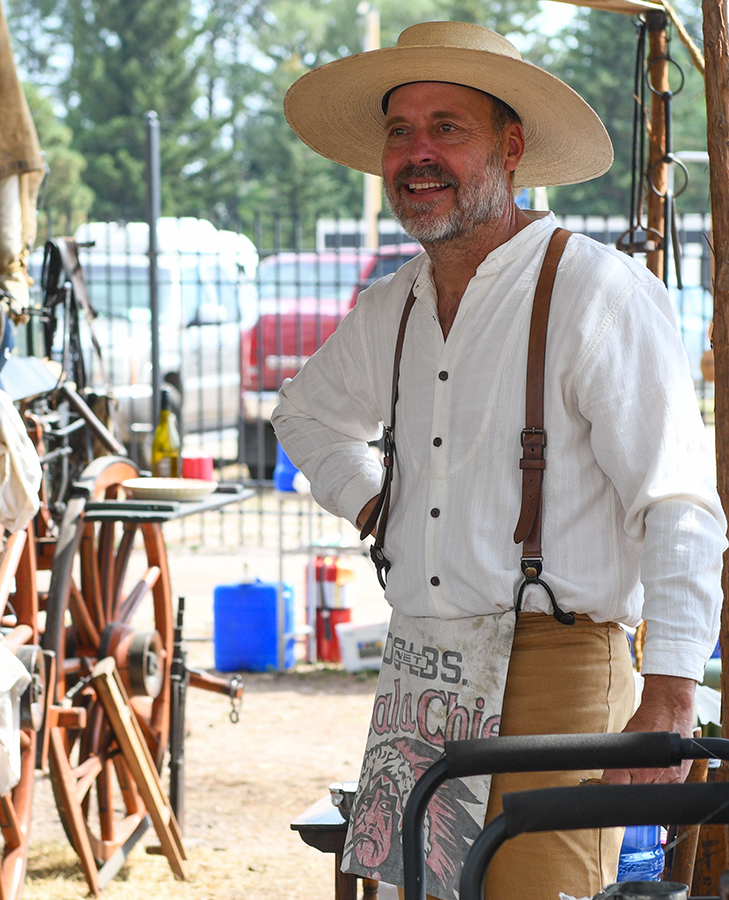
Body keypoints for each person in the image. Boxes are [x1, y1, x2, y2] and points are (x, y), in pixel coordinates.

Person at [274, 21, 726, 898]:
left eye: (448, 128)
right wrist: (380, 507)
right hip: (424, 665)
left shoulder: (595, 289)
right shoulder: (392, 305)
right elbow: (308, 417)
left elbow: (678, 500)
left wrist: (671, 691)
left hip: (556, 667)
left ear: (511, 148)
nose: (417, 153)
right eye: (400, 131)